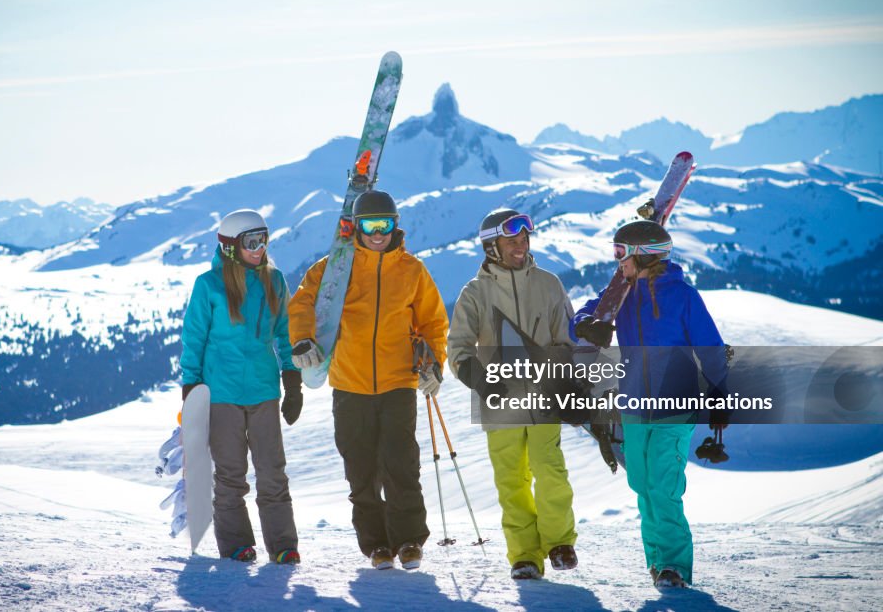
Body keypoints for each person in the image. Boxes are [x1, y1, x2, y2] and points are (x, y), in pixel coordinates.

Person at [288, 190, 449, 571]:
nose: (378, 233)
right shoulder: (335, 268)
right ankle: (376, 545)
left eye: (385, 224)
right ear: (356, 227)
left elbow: (433, 322)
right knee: (360, 468)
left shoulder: (411, 270)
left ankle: (408, 540)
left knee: (401, 464)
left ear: (396, 226)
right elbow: (303, 302)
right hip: (349, 383)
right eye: (370, 225)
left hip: (398, 382)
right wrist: (303, 338)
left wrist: (434, 364)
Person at [572, 220, 729, 589]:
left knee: (663, 486)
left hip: (675, 407)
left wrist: (719, 394)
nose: (617, 261)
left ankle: (674, 565)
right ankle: (657, 562)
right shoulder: (620, 292)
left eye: (621, 253)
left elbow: (711, 348)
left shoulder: (683, 296)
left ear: (644, 256)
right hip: (633, 406)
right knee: (642, 484)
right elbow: (582, 315)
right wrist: (585, 324)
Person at [447, 208, 579, 581]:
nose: (521, 246)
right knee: (511, 479)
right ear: (492, 247)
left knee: (549, 468)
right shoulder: (475, 292)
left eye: (524, 239)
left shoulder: (548, 284)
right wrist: (481, 380)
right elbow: (458, 348)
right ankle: (524, 556)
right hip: (500, 400)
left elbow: (567, 338)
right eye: (511, 241)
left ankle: (559, 543)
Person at [180, 209, 303, 565]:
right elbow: (194, 338)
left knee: (272, 473)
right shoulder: (209, 285)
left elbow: (285, 333)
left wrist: (292, 379)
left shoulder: (273, 280)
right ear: (231, 247)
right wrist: (191, 386)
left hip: (264, 391)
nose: (260, 247)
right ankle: (236, 544)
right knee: (231, 475)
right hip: (222, 395)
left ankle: (283, 545)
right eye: (252, 241)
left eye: (264, 239)